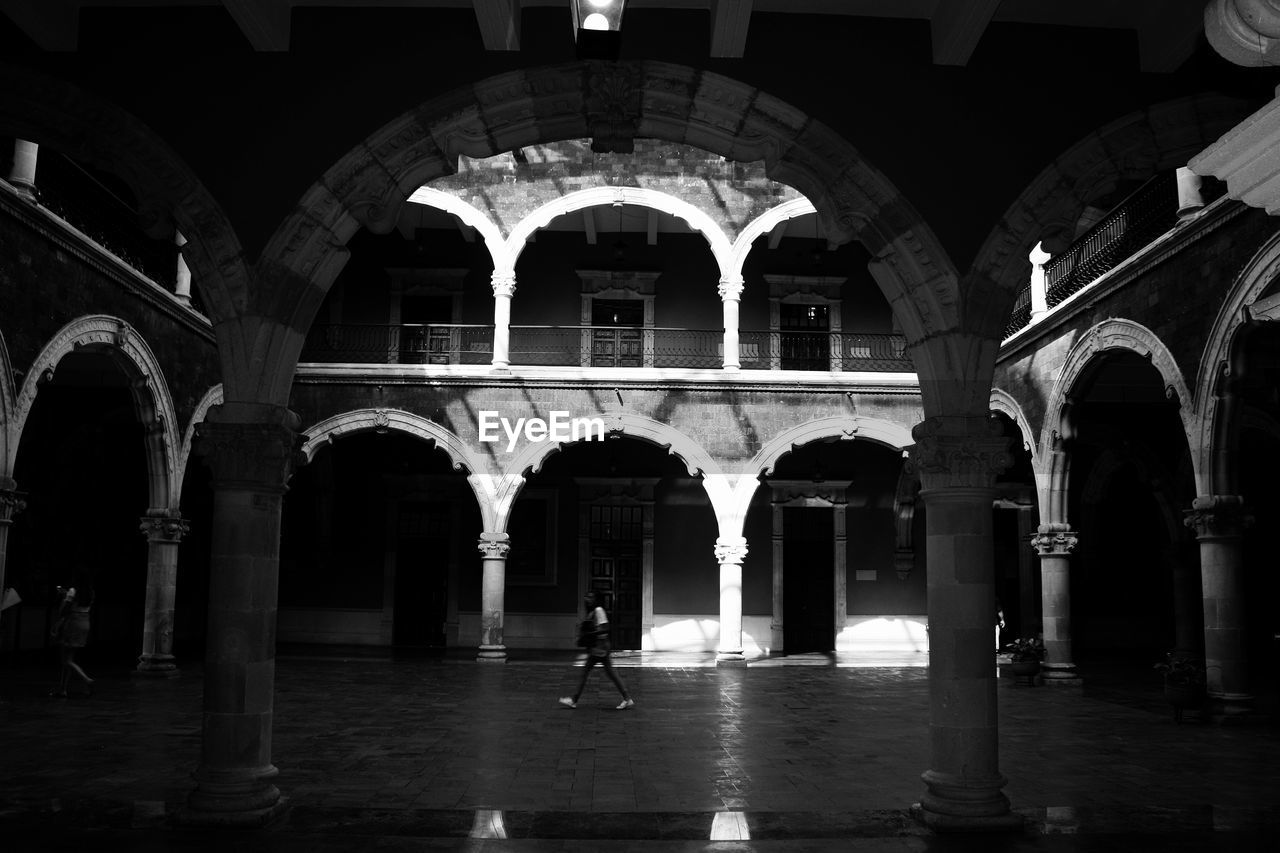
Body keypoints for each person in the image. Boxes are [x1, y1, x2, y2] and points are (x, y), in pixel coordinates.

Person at [559, 591, 634, 710]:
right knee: (611, 674)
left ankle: (574, 700)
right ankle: (627, 698)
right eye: (586, 597)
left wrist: (590, 634)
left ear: (595, 599)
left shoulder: (598, 610)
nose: (587, 599)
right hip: (598, 647)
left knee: (587, 673)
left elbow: (606, 628)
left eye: (590, 597)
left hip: (600, 647)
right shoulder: (592, 612)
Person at [50, 569, 95, 698]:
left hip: (73, 622)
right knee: (69, 657)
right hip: (85, 621)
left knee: (66, 659)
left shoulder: (73, 591)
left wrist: (64, 598)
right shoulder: (91, 592)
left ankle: (87, 679)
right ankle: (63, 689)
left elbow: (65, 610)